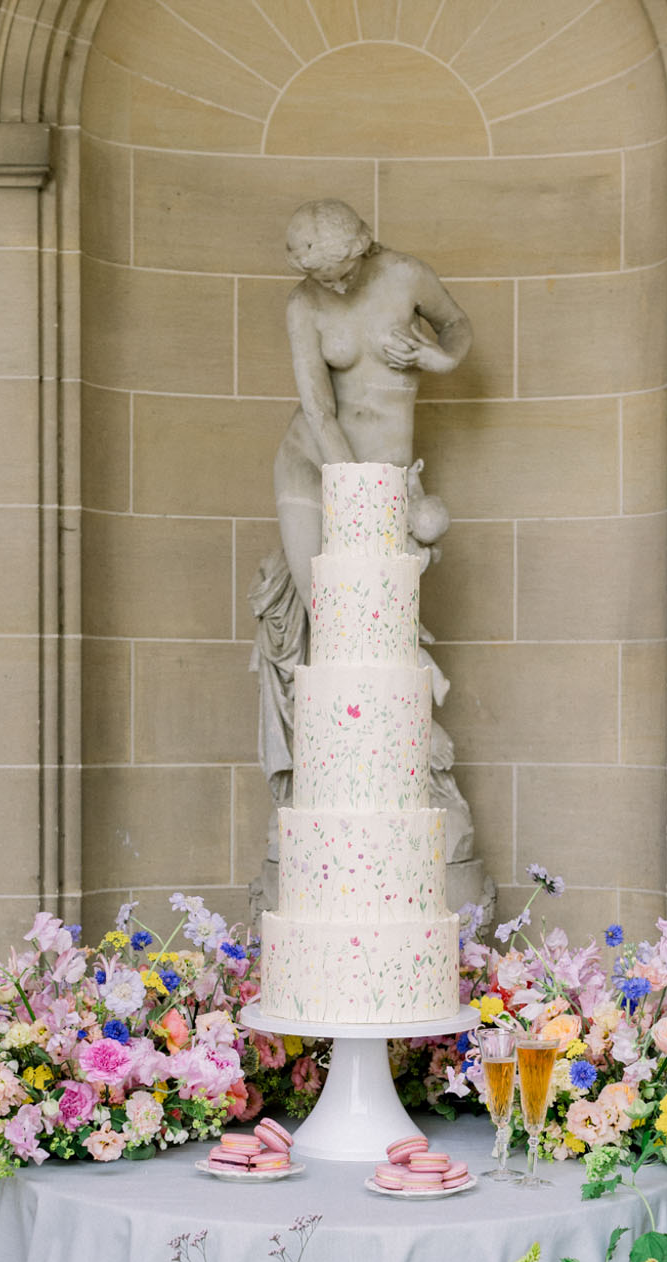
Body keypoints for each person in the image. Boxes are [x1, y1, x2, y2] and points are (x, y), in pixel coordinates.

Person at [252, 199, 478, 868]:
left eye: (346, 271)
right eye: (324, 278)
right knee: (320, 616)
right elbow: (320, 408)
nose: (338, 287)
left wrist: (439, 362)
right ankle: (315, 784)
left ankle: (409, 769)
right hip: (315, 465)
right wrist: (355, 494)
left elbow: (458, 328)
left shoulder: (405, 276)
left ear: (363, 248)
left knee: (379, 627)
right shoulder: (305, 306)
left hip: (385, 476)